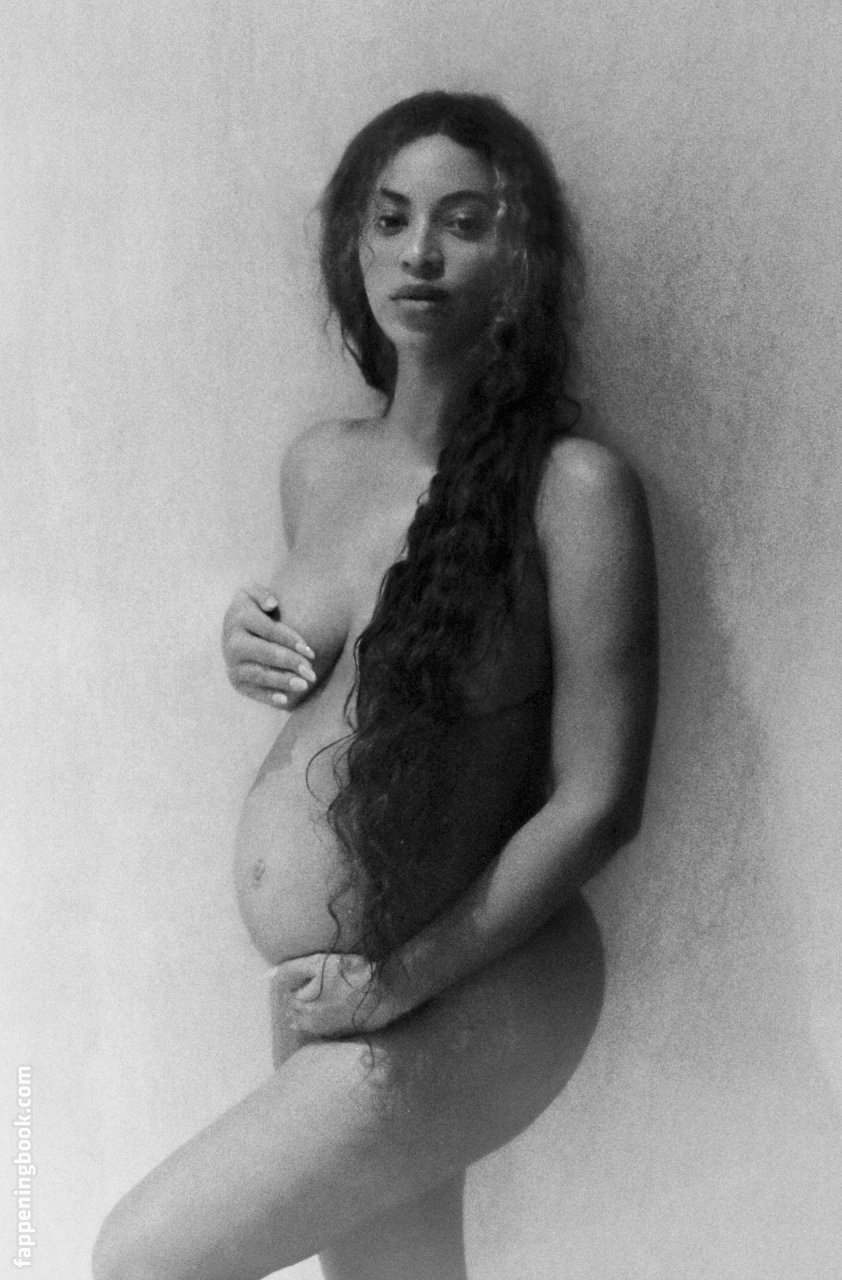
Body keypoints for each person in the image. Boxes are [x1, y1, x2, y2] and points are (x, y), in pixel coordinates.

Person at [93, 90, 657, 1280]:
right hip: (330, 983)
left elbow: (598, 802)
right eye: (391, 219)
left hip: (476, 976)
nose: (419, 253)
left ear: (522, 258)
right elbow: (341, 688)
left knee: (144, 1258)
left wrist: (390, 983)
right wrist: (245, 641)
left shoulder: (574, 492)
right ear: (352, 247)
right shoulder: (316, 465)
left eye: (463, 221)